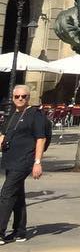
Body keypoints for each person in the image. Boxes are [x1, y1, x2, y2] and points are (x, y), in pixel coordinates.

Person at [0, 87, 49, 243]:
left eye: (23, 96)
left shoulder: (35, 115)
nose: (20, 99)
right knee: (17, 196)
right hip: (10, 159)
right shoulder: (12, 114)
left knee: (6, 194)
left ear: (28, 97)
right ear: (13, 97)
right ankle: (20, 231)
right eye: (17, 96)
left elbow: (41, 139)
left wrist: (37, 162)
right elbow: (3, 134)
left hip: (25, 160)